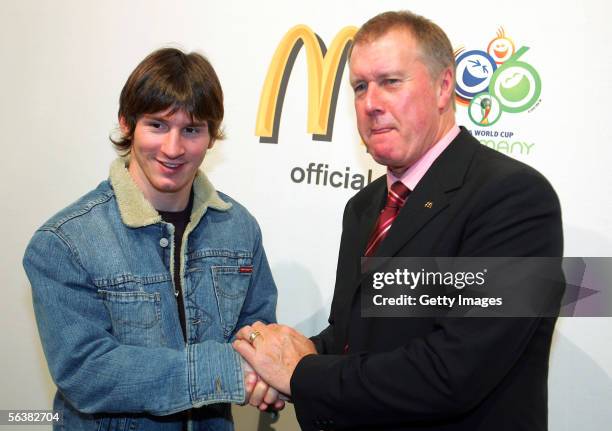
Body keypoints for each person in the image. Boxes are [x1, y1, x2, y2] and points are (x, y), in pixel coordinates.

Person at [234, 10, 563, 431]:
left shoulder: (515, 199)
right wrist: (286, 356)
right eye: (359, 87)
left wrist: (298, 374)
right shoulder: (364, 206)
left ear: (444, 87)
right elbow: (356, 336)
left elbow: (454, 372)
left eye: (390, 82)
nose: (371, 103)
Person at [23, 48, 281, 431]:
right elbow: (88, 373)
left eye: (191, 130)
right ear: (127, 125)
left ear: (211, 137)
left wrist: (268, 374)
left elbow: (259, 333)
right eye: (157, 125)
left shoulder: (240, 227)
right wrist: (227, 372)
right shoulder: (63, 242)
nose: (173, 148)